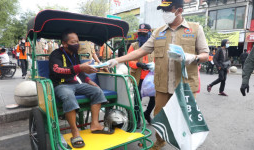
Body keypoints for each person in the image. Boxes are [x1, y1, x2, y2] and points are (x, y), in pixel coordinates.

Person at [107, 0, 209, 149]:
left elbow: (205, 54)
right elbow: (141, 51)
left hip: (185, 85)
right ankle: (159, 142)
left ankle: (187, 145)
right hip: (162, 85)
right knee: (160, 117)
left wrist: (192, 58)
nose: (164, 13)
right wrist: (117, 60)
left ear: (179, 10)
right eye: (163, 10)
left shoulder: (195, 29)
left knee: (185, 119)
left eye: (168, 9)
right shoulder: (158, 32)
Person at [49, 30, 114, 148]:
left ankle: (94, 125)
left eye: (77, 42)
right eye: (73, 42)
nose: (77, 44)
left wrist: (90, 81)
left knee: (97, 91)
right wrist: (79, 67)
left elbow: (81, 73)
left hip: (76, 84)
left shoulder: (75, 55)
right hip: (61, 85)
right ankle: (75, 132)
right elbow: (57, 70)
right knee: (68, 97)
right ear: (64, 43)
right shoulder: (56, 54)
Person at [128, 23, 155, 127]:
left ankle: (147, 114)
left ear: (149, 33)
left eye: (145, 33)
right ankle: (137, 118)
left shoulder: (154, 46)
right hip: (137, 77)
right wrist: (138, 64)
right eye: (140, 33)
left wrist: (154, 65)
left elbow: (158, 59)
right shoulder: (133, 45)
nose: (142, 35)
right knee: (137, 98)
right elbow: (129, 60)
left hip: (151, 77)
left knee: (154, 98)